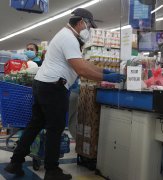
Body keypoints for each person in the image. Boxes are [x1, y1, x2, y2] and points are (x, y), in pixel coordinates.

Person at [4, 8, 124, 180]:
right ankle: (52, 171)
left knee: (35, 125)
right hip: (53, 87)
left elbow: (84, 64)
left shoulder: (67, 36)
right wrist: (107, 77)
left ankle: (15, 162)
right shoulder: (68, 38)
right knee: (55, 128)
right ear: (82, 22)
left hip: (43, 85)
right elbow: (82, 70)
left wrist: (105, 70)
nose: (88, 30)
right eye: (89, 26)